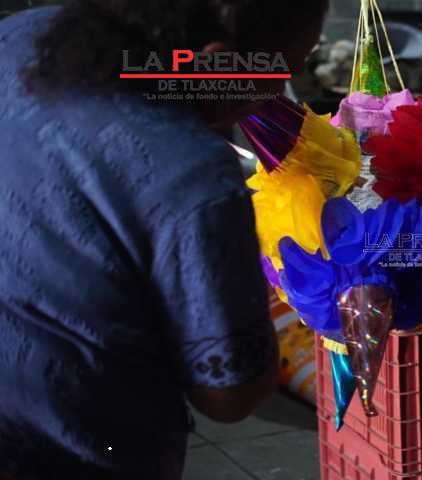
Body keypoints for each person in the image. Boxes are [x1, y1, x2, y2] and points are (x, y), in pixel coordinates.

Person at [0, 1, 327, 478]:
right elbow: (229, 394)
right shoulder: (193, 173)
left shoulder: (23, 34)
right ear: (215, 61)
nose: (276, 96)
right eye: (282, 73)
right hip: (74, 450)